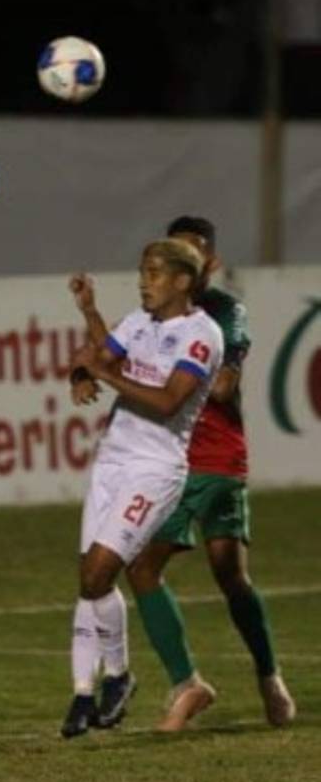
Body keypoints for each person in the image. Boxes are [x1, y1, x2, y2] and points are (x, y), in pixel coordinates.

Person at [69, 216, 295, 731]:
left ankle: (265, 676)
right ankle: (186, 684)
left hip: (213, 458)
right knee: (142, 567)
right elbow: (117, 354)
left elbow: (214, 388)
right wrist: (89, 361)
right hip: (172, 459)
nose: (151, 278)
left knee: (228, 574)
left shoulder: (220, 315)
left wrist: (116, 372)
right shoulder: (149, 317)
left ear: (201, 268)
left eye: (187, 257)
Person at [60, 239, 224, 739]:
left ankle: (119, 677)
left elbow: (170, 400)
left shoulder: (202, 335)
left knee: (97, 574)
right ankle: (111, 681)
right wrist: (81, 370)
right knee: (92, 581)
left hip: (155, 469)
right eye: (141, 272)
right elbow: (98, 355)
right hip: (113, 460)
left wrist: (106, 373)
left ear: (181, 281)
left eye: (154, 273)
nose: (143, 281)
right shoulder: (137, 322)